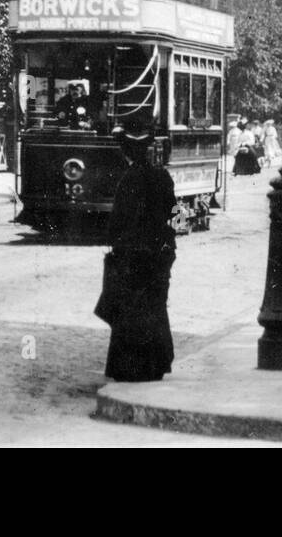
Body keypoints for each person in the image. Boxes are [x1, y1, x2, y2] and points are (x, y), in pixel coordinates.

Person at [100, 123, 177, 381]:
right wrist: (169, 241)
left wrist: (116, 243)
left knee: (130, 308)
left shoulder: (128, 179)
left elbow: (119, 221)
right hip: (158, 252)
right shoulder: (162, 176)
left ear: (127, 152)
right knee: (155, 306)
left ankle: (131, 367)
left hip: (133, 253)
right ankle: (156, 363)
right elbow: (176, 213)